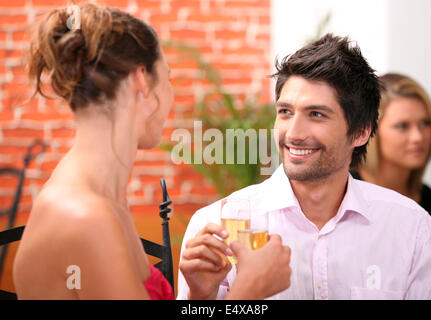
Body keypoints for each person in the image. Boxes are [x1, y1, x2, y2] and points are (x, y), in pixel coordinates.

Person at [12, 2, 291, 300]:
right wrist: (248, 291)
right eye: (167, 77)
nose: (169, 94)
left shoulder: (106, 196)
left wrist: (200, 294)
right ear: (141, 80)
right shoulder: (86, 217)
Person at [177, 34, 431, 300]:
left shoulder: (411, 229)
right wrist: (201, 299)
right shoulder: (215, 226)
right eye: (285, 112)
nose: (293, 133)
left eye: (316, 114)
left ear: (361, 132)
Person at [350, 73, 431, 250]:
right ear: (371, 131)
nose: (418, 137)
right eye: (402, 126)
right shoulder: (345, 190)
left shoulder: (428, 198)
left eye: (425, 123)